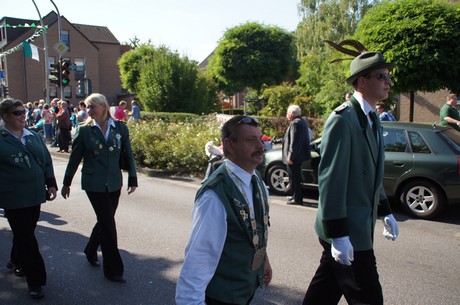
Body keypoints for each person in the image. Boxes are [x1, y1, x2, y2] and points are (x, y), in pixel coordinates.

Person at [302, 52, 399, 305]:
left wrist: (385, 210)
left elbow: (371, 175)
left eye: (388, 76)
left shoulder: (371, 118)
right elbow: (331, 179)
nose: (388, 82)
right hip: (348, 229)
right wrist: (339, 234)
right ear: (362, 81)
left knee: (324, 292)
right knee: (368, 298)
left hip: (359, 226)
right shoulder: (342, 119)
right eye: (381, 76)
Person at [176, 115, 272, 305]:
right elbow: (198, 259)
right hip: (221, 297)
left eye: (260, 139)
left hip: (243, 289)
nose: (260, 146)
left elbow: (254, 228)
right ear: (229, 145)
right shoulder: (214, 196)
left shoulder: (256, 180)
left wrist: (264, 261)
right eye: (251, 140)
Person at [61, 93, 138, 284]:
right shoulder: (84, 130)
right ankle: (113, 269)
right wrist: (66, 182)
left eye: (92, 106)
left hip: (113, 182)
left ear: (103, 106)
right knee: (108, 225)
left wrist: (133, 178)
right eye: (87, 107)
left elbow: (128, 154)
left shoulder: (120, 128)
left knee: (105, 220)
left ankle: (90, 249)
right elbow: (75, 158)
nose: (88, 110)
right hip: (94, 184)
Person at [0, 98, 58, 299]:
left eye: (23, 111)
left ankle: (16, 260)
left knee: (25, 232)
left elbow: (46, 160)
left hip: (35, 194)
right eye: (17, 113)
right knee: (26, 237)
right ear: (5, 117)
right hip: (13, 197)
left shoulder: (33, 135)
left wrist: (51, 183)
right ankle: (36, 280)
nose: (22, 115)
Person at [282, 105, 311, 205]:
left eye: (288, 113)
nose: (287, 115)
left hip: (295, 157)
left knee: (294, 178)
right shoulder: (302, 121)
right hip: (299, 156)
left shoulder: (295, 123)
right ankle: (295, 196)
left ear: (292, 114)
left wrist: (290, 157)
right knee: (295, 178)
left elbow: (294, 142)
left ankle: (297, 199)